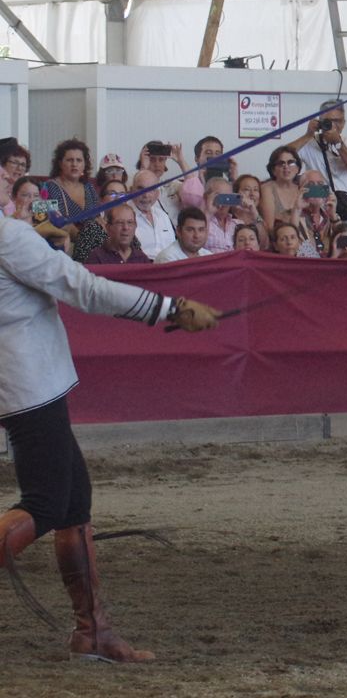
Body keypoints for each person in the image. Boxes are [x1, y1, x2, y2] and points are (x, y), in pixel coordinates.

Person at [0, 214, 218, 662]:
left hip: (23, 380)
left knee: (74, 502)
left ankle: (93, 632)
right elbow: (84, 287)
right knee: (46, 503)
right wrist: (167, 309)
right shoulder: (8, 236)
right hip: (27, 379)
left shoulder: (11, 234)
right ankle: (92, 631)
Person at [41, 140, 106, 264]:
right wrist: (83, 233)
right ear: (60, 163)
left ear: (84, 164)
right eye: (70, 160)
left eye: (79, 160)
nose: (74, 164)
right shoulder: (49, 187)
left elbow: (98, 218)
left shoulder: (89, 187)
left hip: (94, 240)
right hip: (65, 244)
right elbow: (52, 220)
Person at [291, 101, 347, 202]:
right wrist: (308, 135)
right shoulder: (310, 143)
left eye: (338, 121)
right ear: (320, 122)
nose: (333, 125)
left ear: (344, 123)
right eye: (329, 121)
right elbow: (282, 155)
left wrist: (338, 143)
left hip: (346, 207)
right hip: (320, 206)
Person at [174, 136, 235, 211]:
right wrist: (181, 161)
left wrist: (233, 178)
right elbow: (194, 200)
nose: (213, 157)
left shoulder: (228, 185)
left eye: (217, 153)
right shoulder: (189, 187)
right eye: (208, 153)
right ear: (197, 158)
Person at [84, 204, 152, 265]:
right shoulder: (97, 258)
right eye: (119, 222)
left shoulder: (141, 259)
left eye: (130, 222)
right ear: (108, 228)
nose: (126, 227)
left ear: (135, 226)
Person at [129, 170, 175, 260]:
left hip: (168, 268)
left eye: (151, 190)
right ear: (131, 191)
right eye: (140, 189)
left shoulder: (163, 216)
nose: (146, 195)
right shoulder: (124, 217)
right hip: (141, 269)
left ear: (157, 194)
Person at [258, 146, 305, 234]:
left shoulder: (302, 188)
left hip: (304, 240)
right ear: (273, 170)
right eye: (280, 163)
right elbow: (269, 228)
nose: (286, 167)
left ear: (298, 168)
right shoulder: (267, 189)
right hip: (279, 240)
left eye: (291, 163)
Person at [201, 178, 239, 254]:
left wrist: (253, 214)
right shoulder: (199, 222)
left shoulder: (237, 224)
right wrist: (208, 213)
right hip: (211, 264)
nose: (224, 202)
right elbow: (196, 244)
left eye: (228, 197)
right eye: (220, 197)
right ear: (206, 197)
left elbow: (263, 245)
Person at [231, 174, 269, 250]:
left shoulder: (259, 219)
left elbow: (264, 246)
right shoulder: (228, 217)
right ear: (236, 193)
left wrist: (254, 212)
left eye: (256, 190)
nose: (252, 194)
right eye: (247, 189)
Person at [1, 140, 31, 217]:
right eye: (15, 163)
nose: (19, 168)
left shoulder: (28, 188)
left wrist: (51, 210)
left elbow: (41, 214)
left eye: (23, 165)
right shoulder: (2, 190)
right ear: (2, 164)